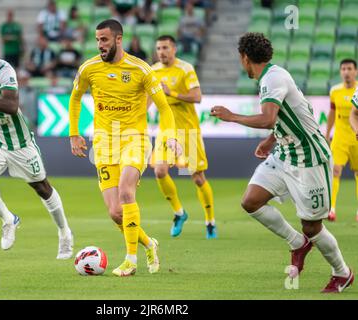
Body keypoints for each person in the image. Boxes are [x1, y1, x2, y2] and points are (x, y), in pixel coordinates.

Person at [211, 32, 354, 293]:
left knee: (312, 226)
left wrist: (231, 116)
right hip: (286, 152)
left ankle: (342, 273)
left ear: (245, 58)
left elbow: (267, 117)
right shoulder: (272, 76)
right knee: (251, 201)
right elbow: (287, 116)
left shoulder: (273, 78)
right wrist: (271, 139)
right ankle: (297, 244)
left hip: (309, 157)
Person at [69, 19, 181, 276]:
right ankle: (148, 243)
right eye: (97, 40)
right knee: (115, 212)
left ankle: (130, 260)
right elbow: (75, 99)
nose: (100, 45)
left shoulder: (140, 69)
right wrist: (74, 134)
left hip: (135, 138)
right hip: (104, 143)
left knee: (126, 191)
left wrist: (171, 137)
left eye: (105, 40)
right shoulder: (89, 68)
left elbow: (163, 107)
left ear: (119, 39)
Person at [0, 32, 73, 259]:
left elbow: (11, 105)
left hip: (18, 141)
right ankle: (8, 219)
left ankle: (64, 232)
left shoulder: (4, 71)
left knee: (42, 187)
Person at [150, 35, 216, 239]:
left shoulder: (185, 69)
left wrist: (172, 94)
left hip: (188, 131)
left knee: (197, 178)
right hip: (166, 131)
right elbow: (147, 99)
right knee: (160, 171)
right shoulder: (153, 71)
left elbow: (197, 97)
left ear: (174, 49)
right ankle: (179, 213)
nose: (162, 51)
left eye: (165, 47)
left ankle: (210, 221)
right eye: (159, 48)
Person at [325, 59, 358, 222]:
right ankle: (331, 209)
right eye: (343, 69)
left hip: (356, 136)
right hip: (340, 136)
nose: (346, 72)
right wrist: (327, 132)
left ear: (356, 71)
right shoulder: (335, 91)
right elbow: (332, 113)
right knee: (335, 170)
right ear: (340, 72)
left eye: (349, 69)